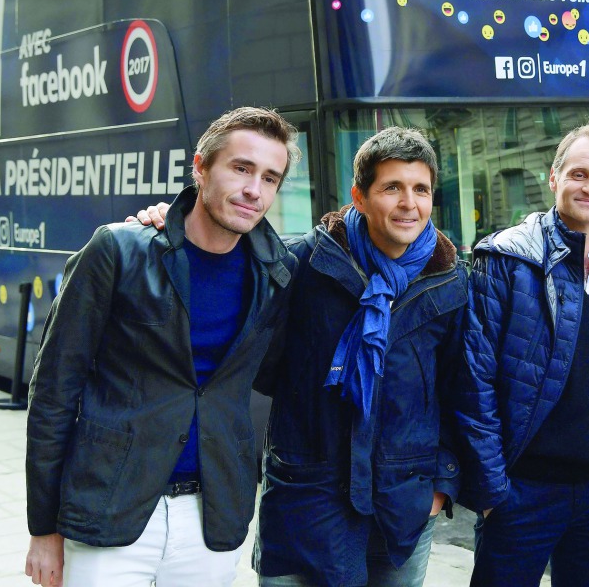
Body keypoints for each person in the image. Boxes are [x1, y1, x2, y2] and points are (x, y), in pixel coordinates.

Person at [131, 127, 467, 587]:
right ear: (360, 197)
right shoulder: (300, 264)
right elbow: (222, 258)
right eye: (392, 187)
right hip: (306, 501)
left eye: (421, 189)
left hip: (402, 506)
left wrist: (440, 485)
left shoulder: (449, 280)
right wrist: (172, 219)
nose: (409, 203)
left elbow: (459, 389)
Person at [24, 107, 302, 587]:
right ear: (200, 167)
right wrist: (43, 528)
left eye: (270, 177)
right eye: (241, 168)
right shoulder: (119, 251)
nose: (255, 190)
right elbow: (52, 392)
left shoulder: (277, 274)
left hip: (211, 517)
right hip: (111, 508)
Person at [458, 120, 589, 587]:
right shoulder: (507, 259)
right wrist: (493, 492)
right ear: (554, 178)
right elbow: (475, 381)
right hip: (521, 491)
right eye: (579, 174)